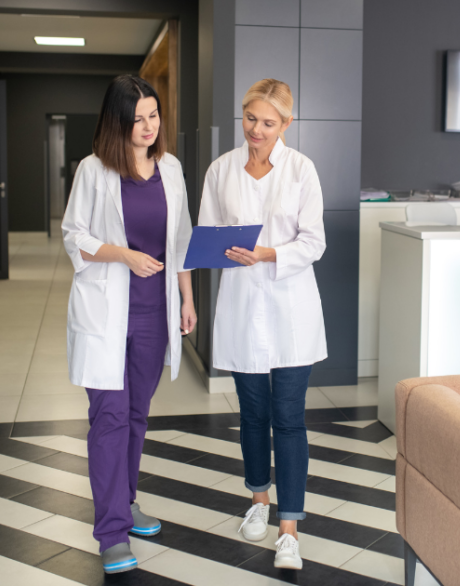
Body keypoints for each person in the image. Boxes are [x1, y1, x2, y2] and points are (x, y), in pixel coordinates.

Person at [61, 74, 196, 574]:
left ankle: (127, 499)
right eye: (137, 119)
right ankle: (112, 531)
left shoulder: (172, 169)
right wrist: (124, 255)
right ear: (117, 121)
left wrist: (186, 299)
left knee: (137, 415)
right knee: (111, 419)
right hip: (105, 312)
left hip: (153, 312)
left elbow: (180, 240)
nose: (148, 126)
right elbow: (74, 236)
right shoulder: (94, 171)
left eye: (154, 116)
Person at [198, 78, 326, 571]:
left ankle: (289, 529)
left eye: (267, 123)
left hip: (291, 308)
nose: (256, 130)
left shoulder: (301, 171)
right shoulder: (221, 170)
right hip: (240, 306)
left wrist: (270, 252)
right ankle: (257, 501)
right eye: (249, 118)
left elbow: (313, 243)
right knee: (252, 415)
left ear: (286, 124)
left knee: (289, 418)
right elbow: (206, 235)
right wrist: (220, 251)